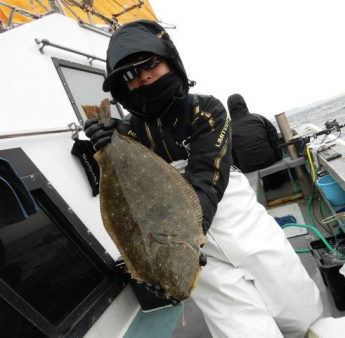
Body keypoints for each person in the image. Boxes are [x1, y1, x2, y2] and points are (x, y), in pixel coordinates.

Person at [85, 20, 322, 338]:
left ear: (170, 59)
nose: (143, 76)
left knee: (296, 305)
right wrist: (106, 145)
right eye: (130, 74)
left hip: (229, 220)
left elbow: (207, 178)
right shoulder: (127, 134)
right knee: (240, 325)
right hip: (187, 243)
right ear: (121, 87)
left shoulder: (206, 109)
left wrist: (178, 246)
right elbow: (132, 205)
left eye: (151, 63)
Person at [227, 93, 286, 191]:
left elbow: (231, 153)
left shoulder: (227, 129)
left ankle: (264, 187)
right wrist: (278, 157)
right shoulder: (259, 118)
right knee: (276, 180)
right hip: (269, 160)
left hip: (247, 167)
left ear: (230, 109)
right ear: (244, 104)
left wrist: (241, 167)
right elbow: (274, 139)